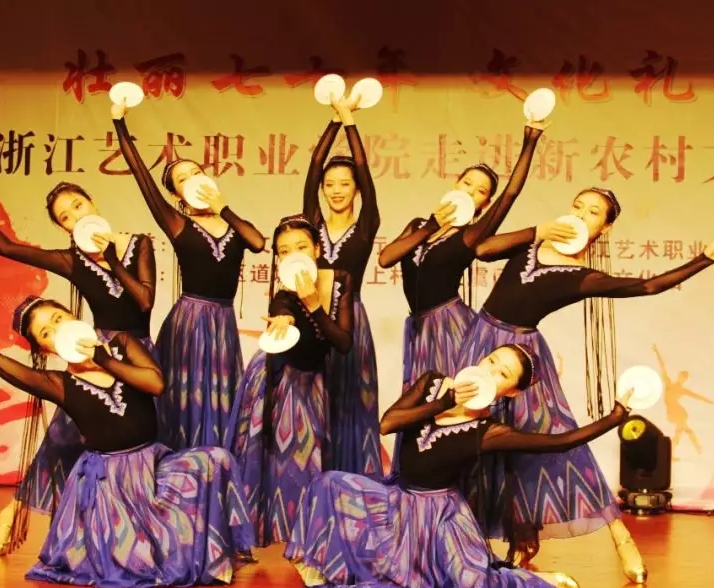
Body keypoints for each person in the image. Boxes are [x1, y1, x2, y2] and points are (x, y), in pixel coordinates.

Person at [458, 187, 714, 582]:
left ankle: (621, 537)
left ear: (605, 228)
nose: (582, 214)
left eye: (593, 212)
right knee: (466, 439)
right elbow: (482, 249)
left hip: (522, 355)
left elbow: (648, 287)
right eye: (577, 206)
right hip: (479, 344)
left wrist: (707, 257)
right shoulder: (534, 242)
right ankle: (484, 541)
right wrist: (539, 230)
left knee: (555, 443)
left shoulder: (582, 277)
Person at [284, 343, 633, 588]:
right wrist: (442, 403)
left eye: (502, 374)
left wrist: (615, 417)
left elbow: (560, 443)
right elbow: (388, 423)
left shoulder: (488, 431)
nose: (490, 371)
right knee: (327, 483)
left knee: (472, 587)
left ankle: (534, 580)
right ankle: (314, 563)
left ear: (510, 392)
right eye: (491, 361)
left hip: (439, 517)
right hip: (396, 498)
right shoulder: (433, 383)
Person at [0, 292, 254, 588]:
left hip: (152, 466)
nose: (57, 330)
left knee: (217, 460)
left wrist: (102, 358)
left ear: (73, 316)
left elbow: (155, 384)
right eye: (46, 333)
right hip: (111, 485)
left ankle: (215, 558)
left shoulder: (122, 344)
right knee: (135, 562)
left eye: (58, 319)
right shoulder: (58, 383)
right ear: (45, 349)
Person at [0, 177, 156, 556]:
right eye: (65, 217)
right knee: (60, 441)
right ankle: (12, 514)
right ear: (64, 228)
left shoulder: (138, 244)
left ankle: (146, 527)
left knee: (147, 439)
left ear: (92, 203)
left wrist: (111, 257)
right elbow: (6, 247)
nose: (75, 217)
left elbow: (144, 303)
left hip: (138, 355)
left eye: (78, 206)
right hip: (93, 353)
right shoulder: (72, 262)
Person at [112, 101, 266, 452]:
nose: (192, 180)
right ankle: (184, 465)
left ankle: (217, 465)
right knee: (186, 396)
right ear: (175, 194)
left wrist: (221, 205)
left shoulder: (232, 222)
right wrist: (119, 122)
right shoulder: (178, 223)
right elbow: (140, 174)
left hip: (222, 321)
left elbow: (258, 243)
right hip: (190, 320)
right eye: (182, 179)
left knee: (221, 396)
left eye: (196, 173)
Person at [378, 117, 574, 390]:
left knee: (454, 394)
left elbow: (510, 194)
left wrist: (531, 139)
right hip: (418, 327)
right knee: (422, 398)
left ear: (484, 204)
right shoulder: (418, 226)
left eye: (480, 191)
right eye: (467, 183)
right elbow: (385, 259)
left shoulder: (471, 235)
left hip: (450, 326)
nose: (470, 192)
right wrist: (431, 226)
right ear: (455, 184)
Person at [224, 216, 353, 546]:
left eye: (301, 247)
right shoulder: (283, 292)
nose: (293, 256)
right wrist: (283, 317)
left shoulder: (339, 280)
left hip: (313, 382)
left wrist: (314, 305)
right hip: (279, 379)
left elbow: (343, 342)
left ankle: (305, 540)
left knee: (308, 462)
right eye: (283, 251)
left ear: (317, 248)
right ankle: (258, 537)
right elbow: (282, 310)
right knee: (268, 461)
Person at [302, 93, 382, 477]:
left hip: (352, 321)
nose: (336, 190)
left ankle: (352, 480)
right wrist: (335, 118)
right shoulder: (312, 223)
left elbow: (364, 169)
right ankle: (314, 477)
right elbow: (313, 166)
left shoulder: (366, 226)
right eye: (330, 184)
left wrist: (350, 121)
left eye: (345, 184)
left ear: (357, 189)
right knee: (313, 396)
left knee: (351, 401)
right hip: (312, 316)